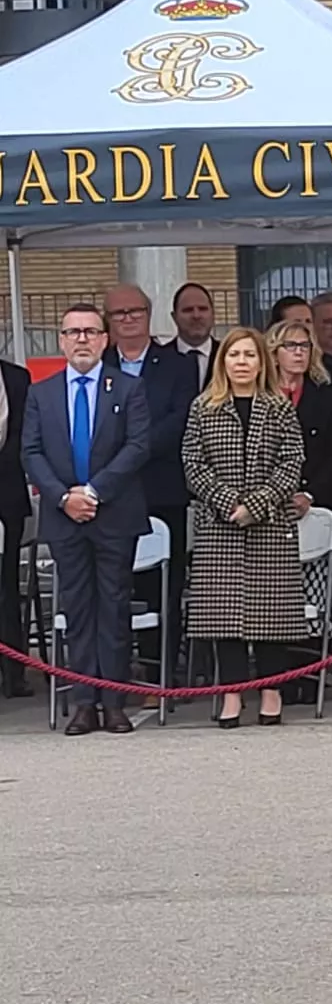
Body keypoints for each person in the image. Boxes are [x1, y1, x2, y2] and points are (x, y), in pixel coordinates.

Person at [21, 303, 152, 735]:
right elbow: (31, 452)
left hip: (113, 513)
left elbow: (138, 446)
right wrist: (63, 498)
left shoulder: (128, 388)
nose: (82, 339)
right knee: (77, 608)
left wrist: (93, 492)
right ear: (60, 340)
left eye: (91, 332)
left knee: (113, 607)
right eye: (73, 332)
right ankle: (83, 703)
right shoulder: (42, 392)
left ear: (104, 339)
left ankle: (114, 702)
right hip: (64, 518)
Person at [182, 327, 308, 728]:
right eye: (234, 355)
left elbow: (291, 465)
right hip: (219, 527)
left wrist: (255, 504)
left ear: (261, 362)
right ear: (224, 362)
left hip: (269, 524)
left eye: (249, 355)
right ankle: (231, 694)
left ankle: (271, 692)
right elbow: (193, 465)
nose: (241, 362)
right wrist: (226, 502)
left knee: (270, 615)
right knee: (223, 617)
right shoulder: (203, 407)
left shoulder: (280, 409)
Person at [105, 283, 199, 689]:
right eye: (118, 313)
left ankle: (161, 672)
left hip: (162, 489)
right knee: (114, 584)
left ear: (149, 313)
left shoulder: (176, 365)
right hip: (109, 493)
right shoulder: (95, 364)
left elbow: (181, 419)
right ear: (108, 322)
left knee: (165, 585)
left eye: (135, 311)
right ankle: (116, 673)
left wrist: (133, 451)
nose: (128, 319)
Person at [271, 319, 332, 517]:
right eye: (290, 345)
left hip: (319, 501)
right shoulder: (261, 396)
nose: (299, 352)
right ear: (274, 353)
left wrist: (309, 494)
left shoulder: (326, 395)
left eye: (304, 346)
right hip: (269, 504)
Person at [0, 351, 32, 697]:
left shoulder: (17, 378)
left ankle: (14, 674)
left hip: (6, 497)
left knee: (7, 587)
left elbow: (23, 437)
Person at [168, 282, 220, 384]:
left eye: (203, 309)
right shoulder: (158, 360)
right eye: (188, 310)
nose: (196, 316)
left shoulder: (227, 356)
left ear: (213, 314)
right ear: (174, 317)